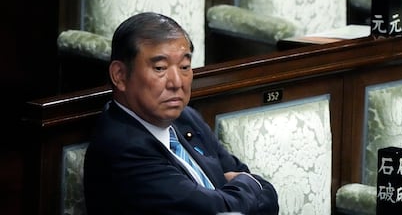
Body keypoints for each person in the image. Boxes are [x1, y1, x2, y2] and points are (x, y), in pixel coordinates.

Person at [84, 12, 279, 215]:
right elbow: (220, 211)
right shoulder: (122, 149)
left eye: (185, 67)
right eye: (160, 68)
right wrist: (248, 184)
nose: (177, 82)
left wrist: (243, 186)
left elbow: (266, 192)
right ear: (120, 75)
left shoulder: (187, 118)